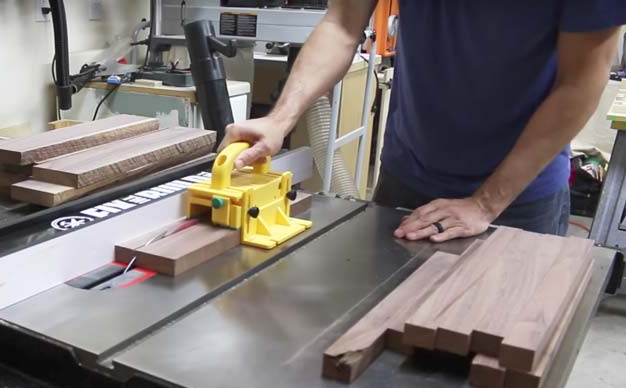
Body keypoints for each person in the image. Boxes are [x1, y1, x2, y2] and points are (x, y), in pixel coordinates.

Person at [219, 1, 626, 242]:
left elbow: (580, 83)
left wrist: (485, 204)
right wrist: (279, 119)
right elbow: (343, 23)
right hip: (408, 175)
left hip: (517, 199)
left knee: (492, 363)